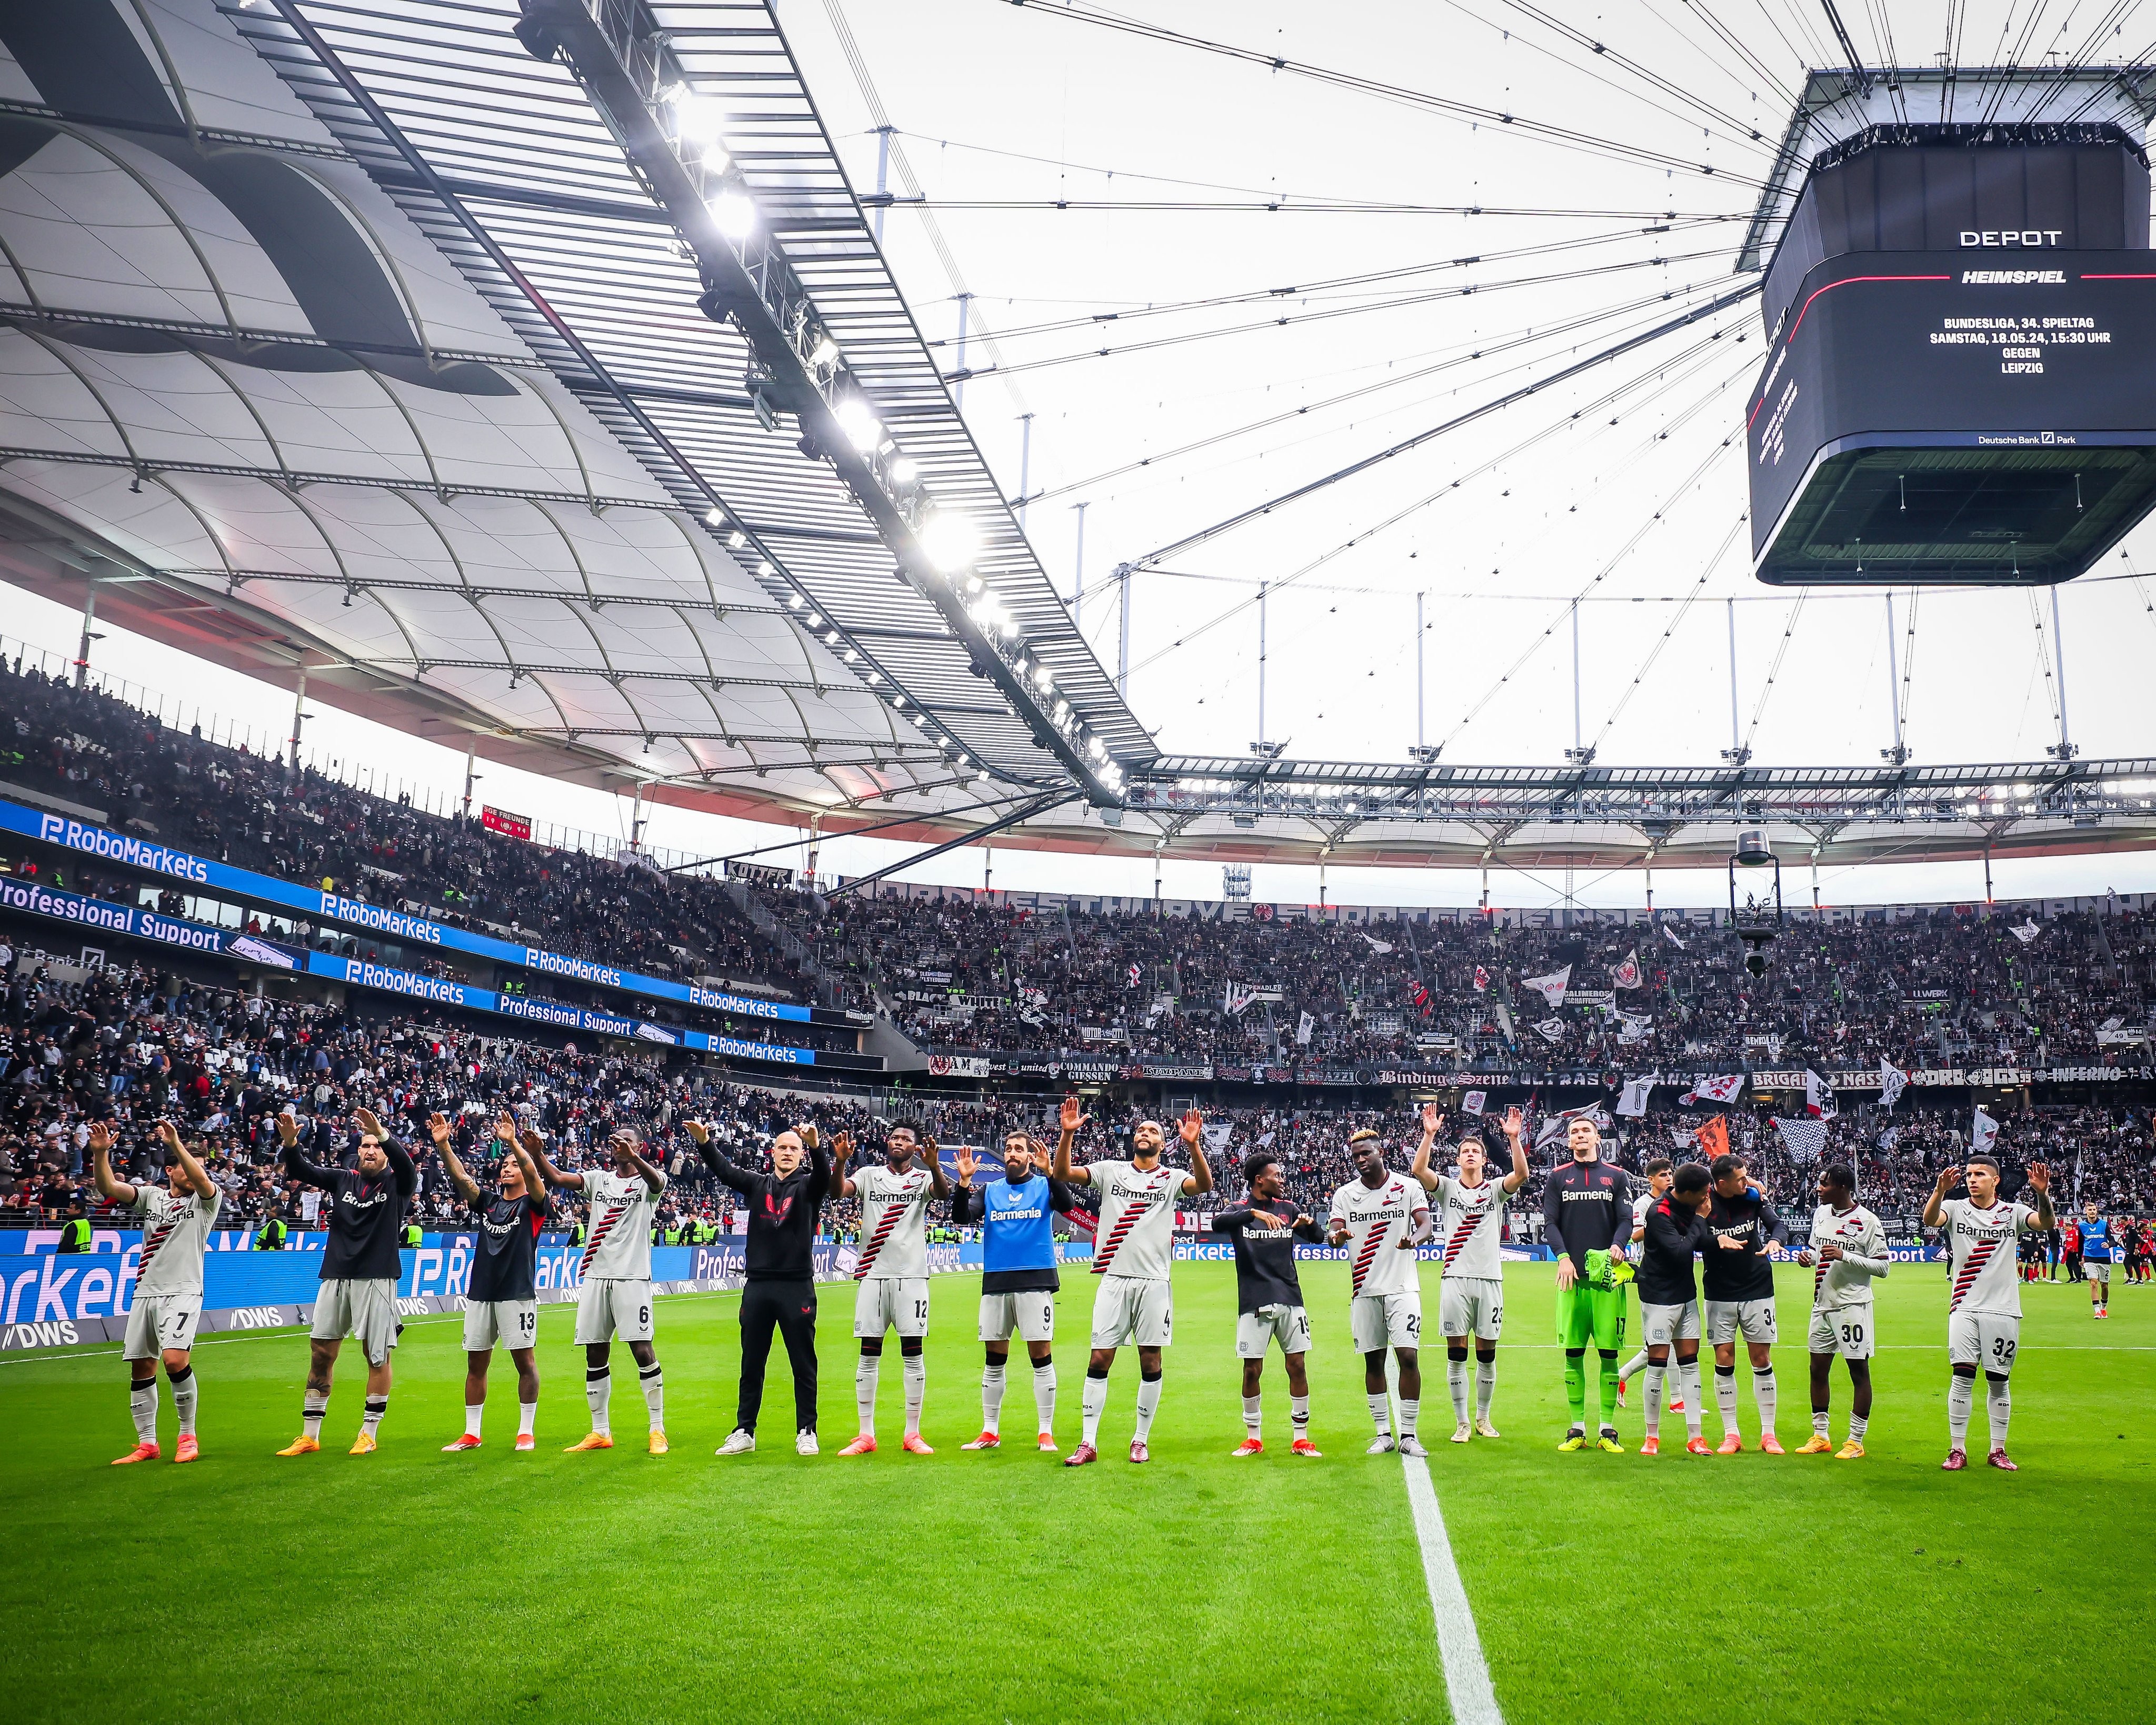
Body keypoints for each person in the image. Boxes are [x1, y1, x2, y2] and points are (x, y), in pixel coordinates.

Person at [1051, 1094, 1215, 1466]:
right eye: (1141, 1129)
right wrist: (1067, 1134)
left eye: (1153, 1131)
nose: (1145, 1133)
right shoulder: (1110, 1170)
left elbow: (1204, 1185)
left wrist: (1194, 1146)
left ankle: (1140, 1440)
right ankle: (1088, 1442)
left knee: (1151, 1360)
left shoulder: (1172, 1178)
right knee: (1099, 1357)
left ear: (1163, 1144)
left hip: (1154, 1281)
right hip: (1114, 1279)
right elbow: (1062, 1174)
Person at [275, 1106, 416, 1457]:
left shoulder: (398, 1183)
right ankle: (310, 1436)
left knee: (376, 1355)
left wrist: (382, 1133)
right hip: (336, 1274)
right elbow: (301, 1170)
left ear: (385, 1152)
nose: (370, 1150)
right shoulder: (343, 1179)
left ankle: (368, 1433)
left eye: (376, 1146)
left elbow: (408, 1167)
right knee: (321, 1352)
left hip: (377, 1277)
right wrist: (291, 1143)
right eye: (365, 1145)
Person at [690, 1118, 831, 1457]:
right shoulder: (758, 1184)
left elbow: (825, 1177)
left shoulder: (809, 1186)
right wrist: (705, 1143)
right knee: (752, 1362)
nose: (788, 1152)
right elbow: (725, 1172)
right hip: (758, 1285)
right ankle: (744, 1431)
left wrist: (816, 1146)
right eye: (782, 1147)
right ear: (773, 1152)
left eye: (794, 1148)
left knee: (803, 1363)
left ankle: (807, 1430)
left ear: (801, 1155)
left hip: (796, 1285)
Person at [525, 1128, 669, 1455]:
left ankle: (657, 1429)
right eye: (615, 1140)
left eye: (627, 1141)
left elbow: (657, 1182)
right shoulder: (598, 1180)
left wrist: (634, 1159)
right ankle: (600, 1431)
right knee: (594, 1353)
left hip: (632, 1277)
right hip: (595, 1276)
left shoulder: (649, 1181)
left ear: (640, 1146)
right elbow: (558, 1178)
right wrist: (538, 1154)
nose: (619, 1145)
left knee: (642, 1351)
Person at [91, 1119, 217, 1465]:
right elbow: (108, 1186)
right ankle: (147, 1444)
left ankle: (188, 1436)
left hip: (183, 1290)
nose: (195, 1173)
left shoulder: (206, 1200)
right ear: (170, 1170)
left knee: (175, 1360)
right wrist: (100, 1154)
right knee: (142, 1366)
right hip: (145, 1290)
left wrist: (176, 1143)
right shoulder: (151, 1196)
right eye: (187, 1166)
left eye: (199, 1166)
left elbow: (203, 1181)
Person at [1922, 1155, 2053, 1471]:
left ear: (1995, 1180)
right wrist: (1940, 1191)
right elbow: (1930, 1220)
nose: (1972, 1179)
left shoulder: (2014, 1212)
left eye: (1980, 1174)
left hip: (2003, 1309)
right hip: (1964, 1306)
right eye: (1969, 1174)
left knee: (1998, 1380)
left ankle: (1998, 1450)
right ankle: (1957, 1450)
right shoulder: (1955, 1208)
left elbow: (2046, 1223)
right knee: (1962, 1376)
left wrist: (2042, 1194)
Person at [830, 1121, 952, 1456]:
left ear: (915, 1147)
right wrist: (840, 1161)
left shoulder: (924, 1178)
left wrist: (935, 1166)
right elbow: (838, 1192)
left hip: (912, 1276)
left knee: (913, 1353)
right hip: (872, 1274)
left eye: (906, 1139)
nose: (899, 1142)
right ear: (888, 1142)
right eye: (895, 1137)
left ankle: (913, 1433)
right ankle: (865, 1435)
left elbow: (943, 1195)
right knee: (868, 1353)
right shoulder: (869, 1175)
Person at [1411, 1101, 1529, 1443]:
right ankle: (1462, 1422)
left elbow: (1521, 1175)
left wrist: (1514, 1139)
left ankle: (1483, 1418)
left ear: (1484, 1159)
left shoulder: (1494, 1190)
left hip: (1490, 1279)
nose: (1471, 1155)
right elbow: (1419, 1169)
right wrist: (1429, 1135)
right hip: (1455, 1279)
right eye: (1465, 1151)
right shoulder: (1448, 1188)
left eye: (1476, 1151)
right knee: (1457, 1353)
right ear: (1459, 1159)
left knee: (1487, 1354)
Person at [433, 1113, 550, 1453]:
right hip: (481, 1293)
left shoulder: (534, 1205)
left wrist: (514, 1143)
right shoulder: (489, 1203)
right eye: (504, 1164)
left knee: (524, 1362)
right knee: (476, 1364)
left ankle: (526, 1431)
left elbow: (534, 1176)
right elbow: (462, 1179)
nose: (507, 1168)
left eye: (513, 1165)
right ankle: (472, 1433)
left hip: (517, 1293)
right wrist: (444, 1145)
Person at [951, 1131, 1073, 1452]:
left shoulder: (1044, 1186)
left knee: (1041, 1358)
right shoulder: (990, 1190)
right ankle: (990, 1430)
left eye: (1019, 1149)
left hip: (1035, 1280)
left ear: (1030, 1157)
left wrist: (1051, 1173)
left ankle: (1045, 1431)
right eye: (1008, 1149)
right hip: (997, 1282)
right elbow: (961, 1217)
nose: (1012, 1154)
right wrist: (964, 1183)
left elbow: (1067, 1205)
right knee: (994, 1360)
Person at [1210, 1149, 1325, 1457]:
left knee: (1297, 1366)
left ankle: (1301, 1439)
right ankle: (1253, 1438)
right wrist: (1254, 1214)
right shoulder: (1239, 1209)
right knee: (1252, 1370)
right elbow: (1218, 1223)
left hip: (1290, 1298)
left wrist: (1310, 1223)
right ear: (1260, 1180)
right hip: (1254, 1300)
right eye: (1277, 1175)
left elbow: (1319, 1237)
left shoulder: (1288, 1209)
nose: (1282, 1180)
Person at [1327, 1125, 1434, 1457]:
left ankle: (1409, 1435)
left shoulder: (1408, 1186)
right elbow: (1333, 1231)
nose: (1360, 1159)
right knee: (1373, 1363)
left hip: (1403, 1287)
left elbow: (1426, 1225)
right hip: (1364, 1289)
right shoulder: (1345, 1194)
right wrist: (1337, 1237)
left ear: (1381, 1152)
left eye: (1366, 1153)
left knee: (1408, 1357)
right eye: (1355, 1156)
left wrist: (1413, 1240)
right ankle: (1383, 1434)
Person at [1541, 1114, 1634, 1453]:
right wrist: (1563, 1257)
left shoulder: (1617, 1176)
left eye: (1586, 1131)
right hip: (1572, 1280)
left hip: (1607, 1281)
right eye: (1574, 1132)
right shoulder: (1557, 1178)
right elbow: (1550, 1223)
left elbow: (1626, 1219)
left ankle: (1607, 1429)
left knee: (1609, 1354)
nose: (1580, 1135)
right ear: (1569, 1141)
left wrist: (1619, 1245)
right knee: (1574, 1354)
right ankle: (1577, 1428)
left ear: (1597, 1137)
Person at [1793, 1162, 1888, 1460]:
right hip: (1822, 1304)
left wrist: (1845, 1255)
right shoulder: (1821, 1214)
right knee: (1817, 1370)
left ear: (1843, 1187)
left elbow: (1883, 1266)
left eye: (1825, 1183)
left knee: (1858, 1372)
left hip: (1852, 1306)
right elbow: (1817, 1252)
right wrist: (1809, 1257)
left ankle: (1856, 1441)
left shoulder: (1868, 1221)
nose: (1819, 1188)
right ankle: (1821, 1436)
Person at [1632, 1161, 1725, 1456]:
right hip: (1659, 1296)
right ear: (1687, 1193)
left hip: (1686, 1295)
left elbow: (1697, 1240)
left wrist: (1718, 1240)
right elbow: (1682, 1251)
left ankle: (1695, 1437)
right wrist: (1700, 1219)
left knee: (1690, 1364)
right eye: (1704, 1192)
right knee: (1657, 1365)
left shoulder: (1689, 1203)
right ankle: (1652, 1436)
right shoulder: (1659, 1213)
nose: (1707, 1196)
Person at [1701, 1153, 1790, 1454]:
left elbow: (1778, 1225)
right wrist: (1714, 1239)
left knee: (1761, 1359)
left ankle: (1769, 1434)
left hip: (1757, 1287)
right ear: (1721, 1183)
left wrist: (1776, 1240)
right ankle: (1731, 1434)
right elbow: (1693, 1236)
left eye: (1746, 1176)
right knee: (1724, 1358)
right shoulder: (1703, 1202)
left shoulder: (1752, 1196)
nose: (1746, 1181)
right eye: (1740, 1178)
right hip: (1719, 1292)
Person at [1616, 1158, 1679, 1417]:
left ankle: (1676, 1400)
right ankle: (1676, 1400)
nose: (1669, 1178)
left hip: (1676, 1274)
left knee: (1669, 1341)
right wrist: (1659, 1220)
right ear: (1651, 1179)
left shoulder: (1677, 1200)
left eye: (1671, 1173)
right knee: (1659, 1343)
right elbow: (1634, 1234)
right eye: (1663, 1175)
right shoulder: (1643, 1204)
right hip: (1653, 1275)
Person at [2079, 1201, 2112, 1318]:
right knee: (2093, 1283)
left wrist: (2109, 1245)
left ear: (2097, 1211)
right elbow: (2080, 1243)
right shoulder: (2082, 1226)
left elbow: (2113, 1240)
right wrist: (2080, 1257)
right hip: (2089, 1258)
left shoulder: (2104, 1225)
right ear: (2086, 1212)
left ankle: (2104, 1308)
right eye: (2090, 1210)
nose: (2092, 1212)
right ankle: (2097, 1311)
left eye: (2094, 1210)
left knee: (2105, 1286)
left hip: (2104, 1259)